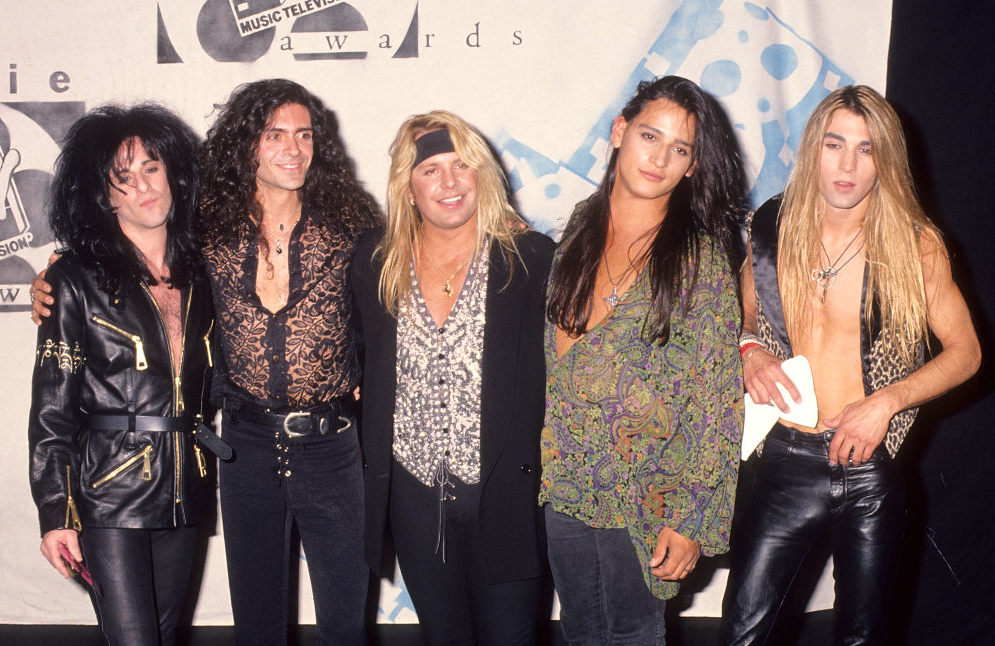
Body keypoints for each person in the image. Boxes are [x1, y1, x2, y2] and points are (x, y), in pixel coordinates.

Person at [721, 85, 981, 645]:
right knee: (743, 633)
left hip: (869, 464)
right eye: (835, 144)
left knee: (863, 638)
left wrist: (886, 403)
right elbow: (739, 322)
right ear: (814, 146)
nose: (848, 165)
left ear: (885, 159)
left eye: (867, 150)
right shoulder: (769, 228)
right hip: (785, 460)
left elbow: (968, 352)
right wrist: (751, 351)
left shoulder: (915, 245)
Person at [540, 75, 745, 644]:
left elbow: (718, 403)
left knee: (632, 634)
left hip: (648, 493)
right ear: (618, 132)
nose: (659, 158)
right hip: (567, 484)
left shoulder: (697, 258)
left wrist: (692, 520)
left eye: (680, 149)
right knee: (581, 631)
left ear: (693, 166)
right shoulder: (580, 223)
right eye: (650, 136)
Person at [352, 111, 555, 645]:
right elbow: (357, 363)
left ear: (482, 174)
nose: (449, 181)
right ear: (408, 185)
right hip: (414, 498)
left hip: (508, 496)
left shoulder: (530, 258)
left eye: (462, 164)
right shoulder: (376, 261)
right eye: (431, 169)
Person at [199, 79, 378, 645]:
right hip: (244, 445)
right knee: (256, 620)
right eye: (275, 134)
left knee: (345, 619)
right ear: (245, 144)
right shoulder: (206, 224)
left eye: (304, 135)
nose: (293, 149)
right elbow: (133, 252)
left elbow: (414, 277)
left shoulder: (352, 223)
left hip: (332, 446)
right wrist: (56, 270)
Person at [28, 104, 214, 645]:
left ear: (172, 172)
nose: (142, 187)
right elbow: (51, 409)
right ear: (103, 196)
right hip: (107, 492)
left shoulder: (206, 274)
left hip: (186, 483)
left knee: (159, 634)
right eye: (123, 178)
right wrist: (55, 512)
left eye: (151, 168)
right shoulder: (73, 280)